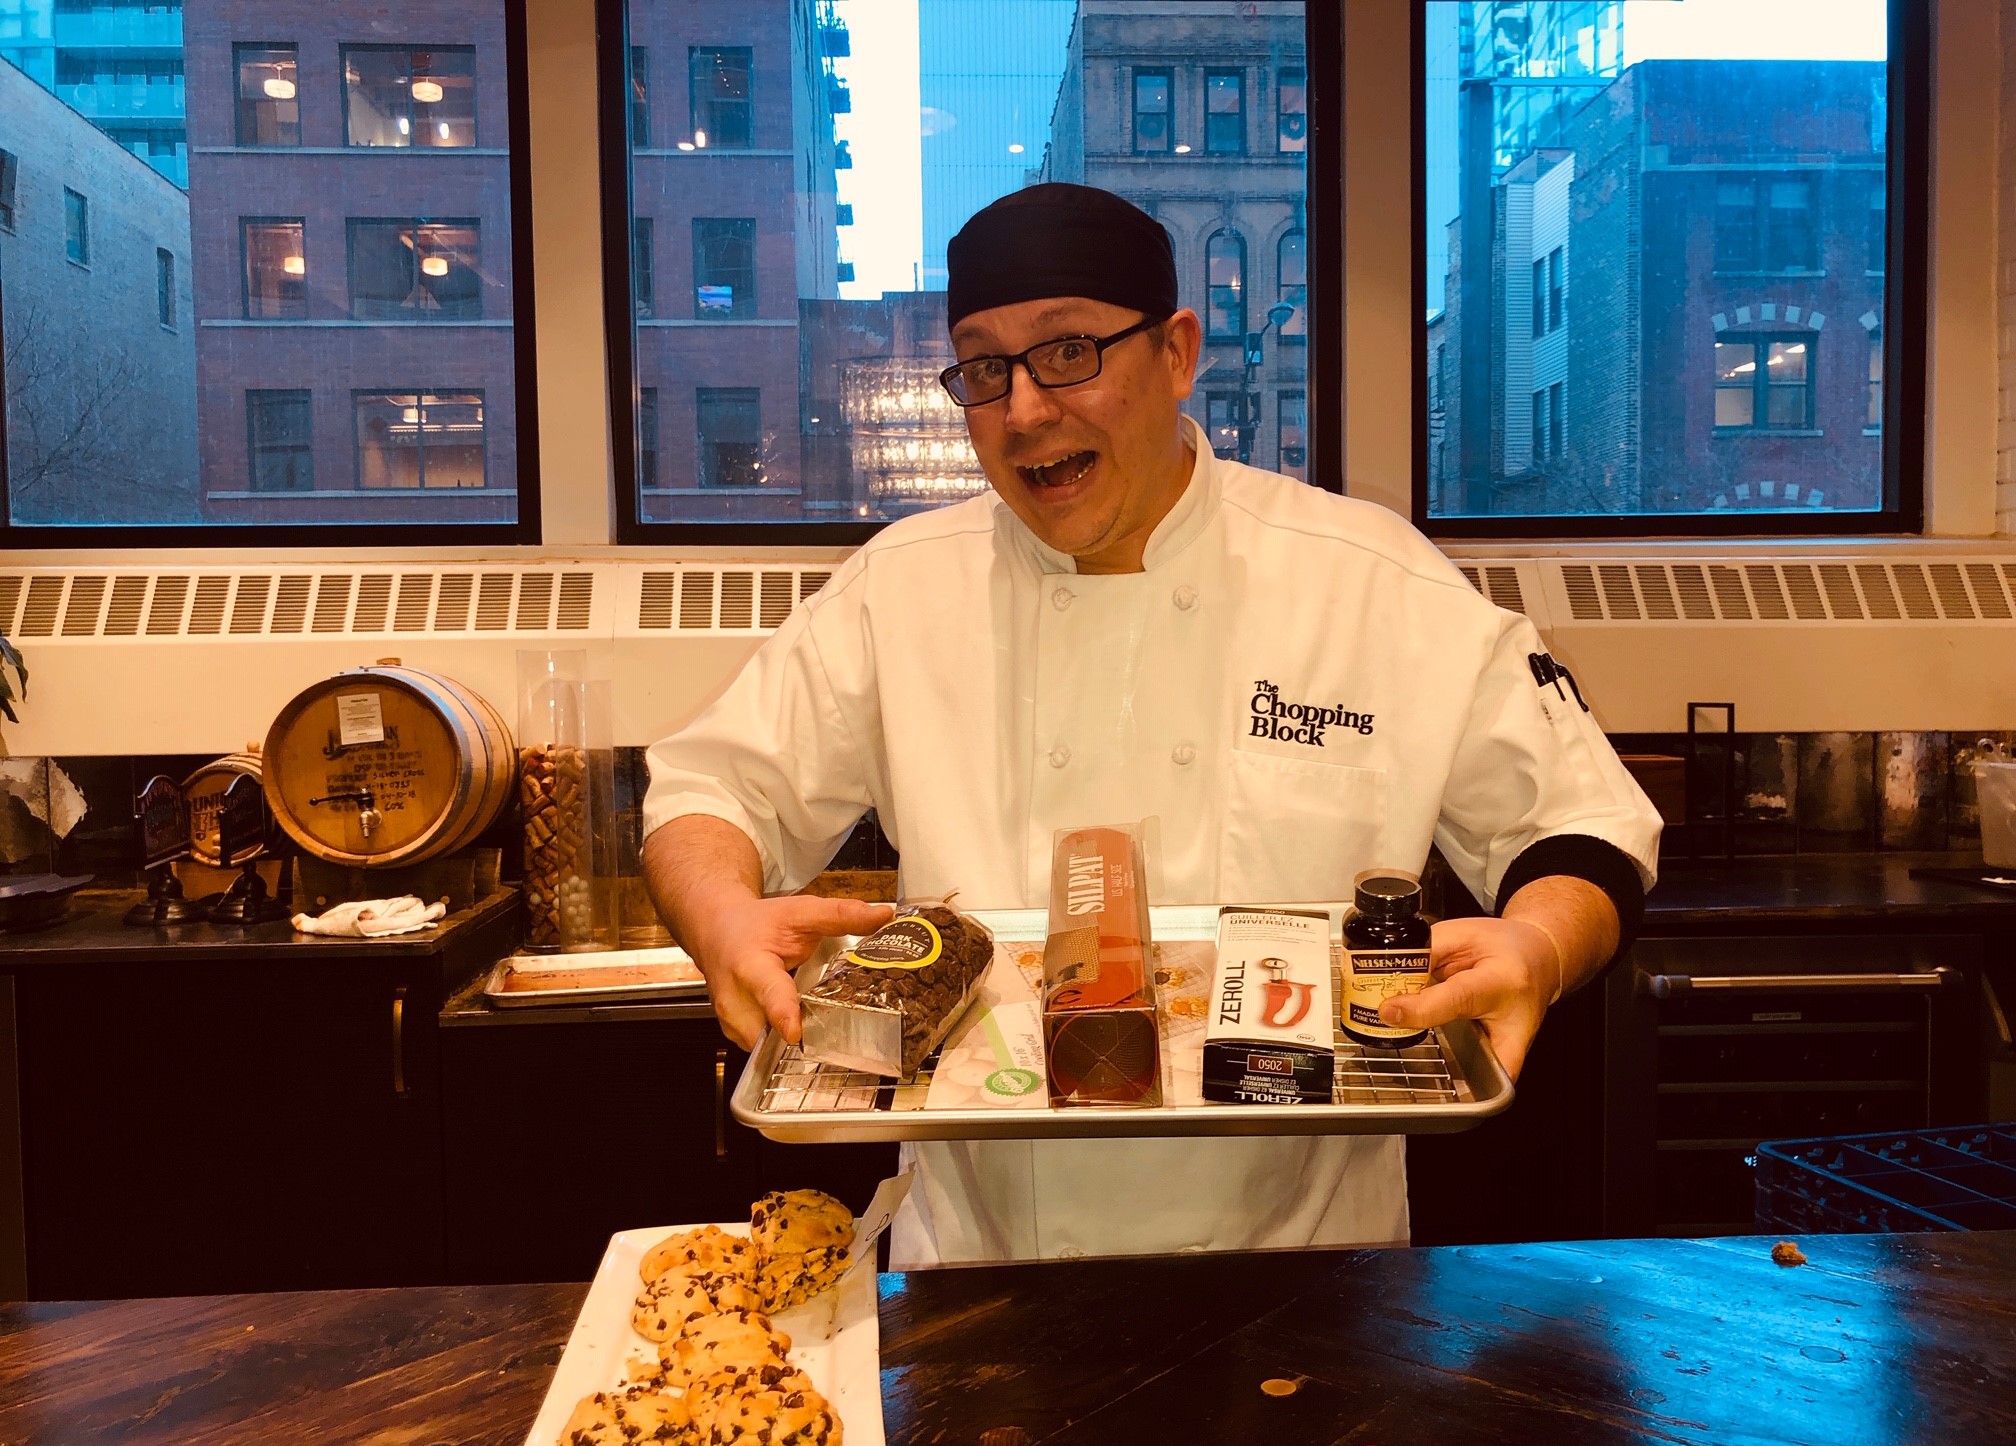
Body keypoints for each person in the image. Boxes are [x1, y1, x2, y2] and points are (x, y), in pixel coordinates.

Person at [642, 183, 1661, 1266]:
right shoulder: (899, 592)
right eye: (984, 368)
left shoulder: (1370, 580)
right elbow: (712, 791)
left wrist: (1543, 946)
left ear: (1178, 354)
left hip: (1315, 1271)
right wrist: (720, 917)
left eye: (1069, 352)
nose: (1025, 409)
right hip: (983, 1270)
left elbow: (1579, 827)